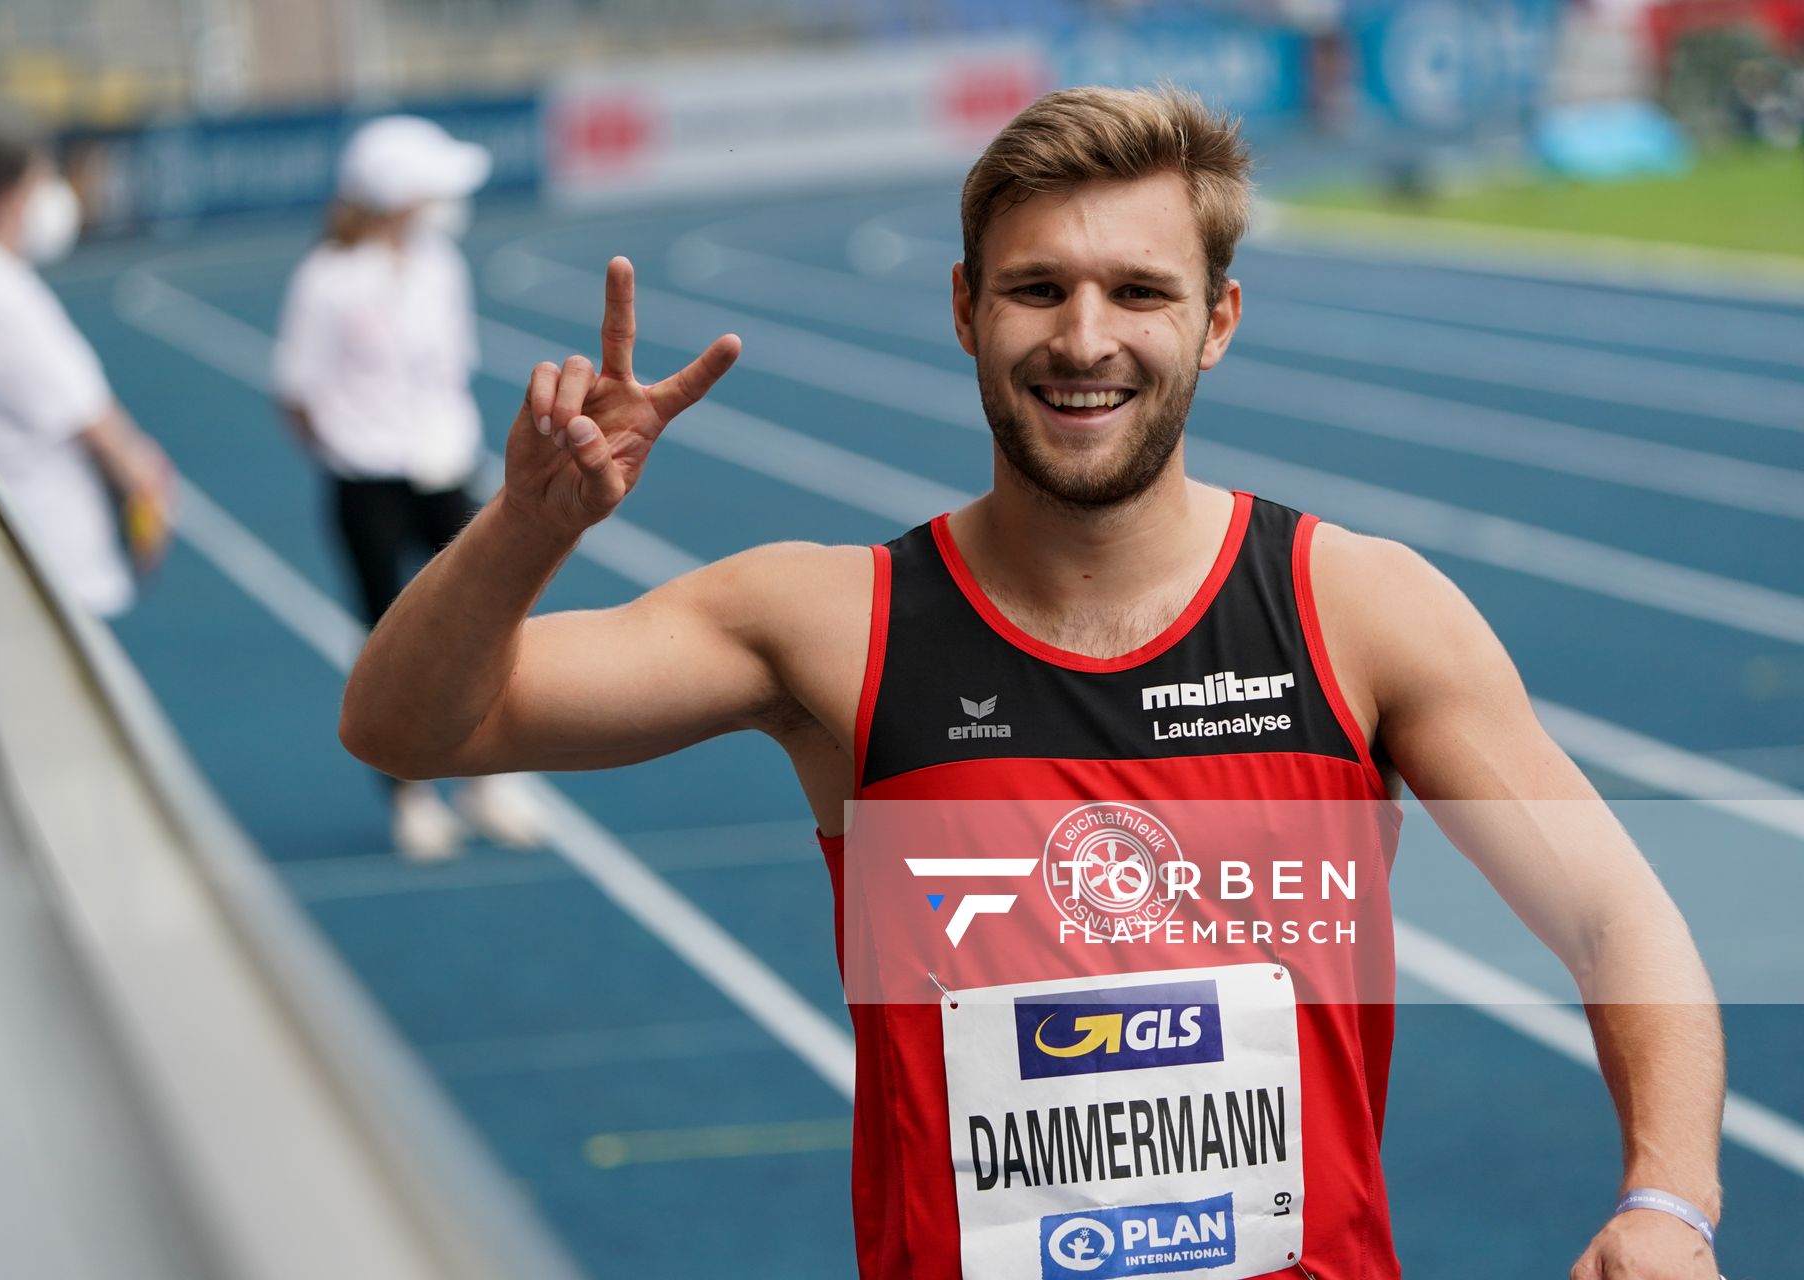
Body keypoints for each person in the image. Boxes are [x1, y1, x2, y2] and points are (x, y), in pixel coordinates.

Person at [338, 88, 1725, 1278]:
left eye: (1139, 291)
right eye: (1036, 287)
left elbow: (1621, 917)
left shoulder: (1359, 612)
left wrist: (1668, 1201)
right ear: (964, 308)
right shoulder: (828, 624)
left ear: (1219, 319)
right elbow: (401, 725)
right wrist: (528, 528)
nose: (1083, 339)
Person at [275, 114, 546, 861]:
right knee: (386, 640)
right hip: (367, 482)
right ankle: (410, 796)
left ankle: (489, 779)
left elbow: (450, 369)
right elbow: (296, 390)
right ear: (396, 195)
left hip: (446, 469)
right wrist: (347, 447)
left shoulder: (440, 265)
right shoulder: (327, 279)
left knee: (489, 623)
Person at [0, 130, 173, 618]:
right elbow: (91, 419)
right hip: (46, 554)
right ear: (6, 197)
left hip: (23, 544)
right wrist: (147, 489)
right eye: (41, 183)